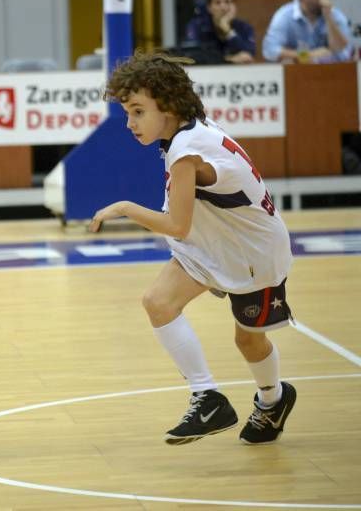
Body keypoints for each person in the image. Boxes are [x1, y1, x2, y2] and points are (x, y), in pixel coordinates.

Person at [90, 52, 296, 446]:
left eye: (137, 112)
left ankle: (273, 400)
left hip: (253, 254)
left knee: (248, 340)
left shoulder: (188, 149)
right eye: (126, 113)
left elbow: (177, 226)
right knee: (158, 302)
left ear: (166, 105)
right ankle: (208, 398)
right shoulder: (184, 133)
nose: (130, 123)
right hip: (212, 241)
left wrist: (125, 208)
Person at [262, 0, 353, 63]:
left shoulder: (335, 14)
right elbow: (270, 50)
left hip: (332, 72)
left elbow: (342, 51)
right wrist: (307, 55)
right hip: (298, 71)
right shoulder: (284, 16)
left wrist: (328, 18)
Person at [184, 0, 256, 64]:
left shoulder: (244, 27)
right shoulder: (197, 26)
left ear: (234, 6)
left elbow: (248, 54)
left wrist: (229, 32)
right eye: (218, 3)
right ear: (209, 8)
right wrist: (227, 60)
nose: (223, 7)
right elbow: (191, 55)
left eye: (227, 2)